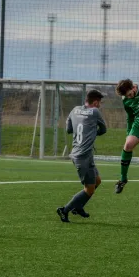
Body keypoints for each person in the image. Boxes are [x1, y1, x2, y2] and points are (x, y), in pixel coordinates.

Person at [56, 90, 107, 223]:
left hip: (80, 153)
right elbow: (103, 130)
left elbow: (69, 129)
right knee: (89, 189)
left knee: (97, 181)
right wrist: (92, 132)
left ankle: (79, 206)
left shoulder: (74, 110)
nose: (100, 105)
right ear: (95, 102)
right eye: (99, 103)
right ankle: (65, 209)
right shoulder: (95, 112)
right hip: (83, 156)